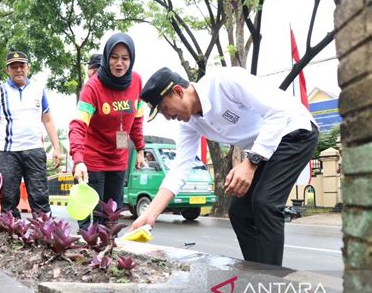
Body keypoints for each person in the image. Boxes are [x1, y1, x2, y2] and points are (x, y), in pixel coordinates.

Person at [130, 67, 319, 267]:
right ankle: (258, 272)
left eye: (165, 108)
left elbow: (278, 113)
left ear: (178, 91)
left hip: (295, 131)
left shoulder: (224, 82)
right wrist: (149, 215)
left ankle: (272, 281)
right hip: (264, 148)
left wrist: (251, 162)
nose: (168, 117)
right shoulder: (189, 125)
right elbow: (179, 170)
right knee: (239, 212)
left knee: (265, 203)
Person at [69, 33, 145, 230]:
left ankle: (108, 253)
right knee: (92, 212)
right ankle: (89, 251)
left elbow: (137, 119)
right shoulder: (92, 87)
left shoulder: (136, 82)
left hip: (118, 159)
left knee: (112, 214)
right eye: (114, 57)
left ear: (132, 59)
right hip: (93, 159)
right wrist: (78, 160)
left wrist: (140, 149)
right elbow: (78, 125)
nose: (119, 63)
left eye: (125, 58)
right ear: (106, 57)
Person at [0, 51, 62, 218]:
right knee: (8, 198)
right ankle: (12, 236)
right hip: (7, 153)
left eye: (22, 66)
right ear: (8, 70)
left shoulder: (38, 90)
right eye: (14, 67)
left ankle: (43, 234)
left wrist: (57, 148)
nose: (18, 70)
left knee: (39, 195)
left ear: (28, 68)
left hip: (34, 150)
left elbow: (48, 120)